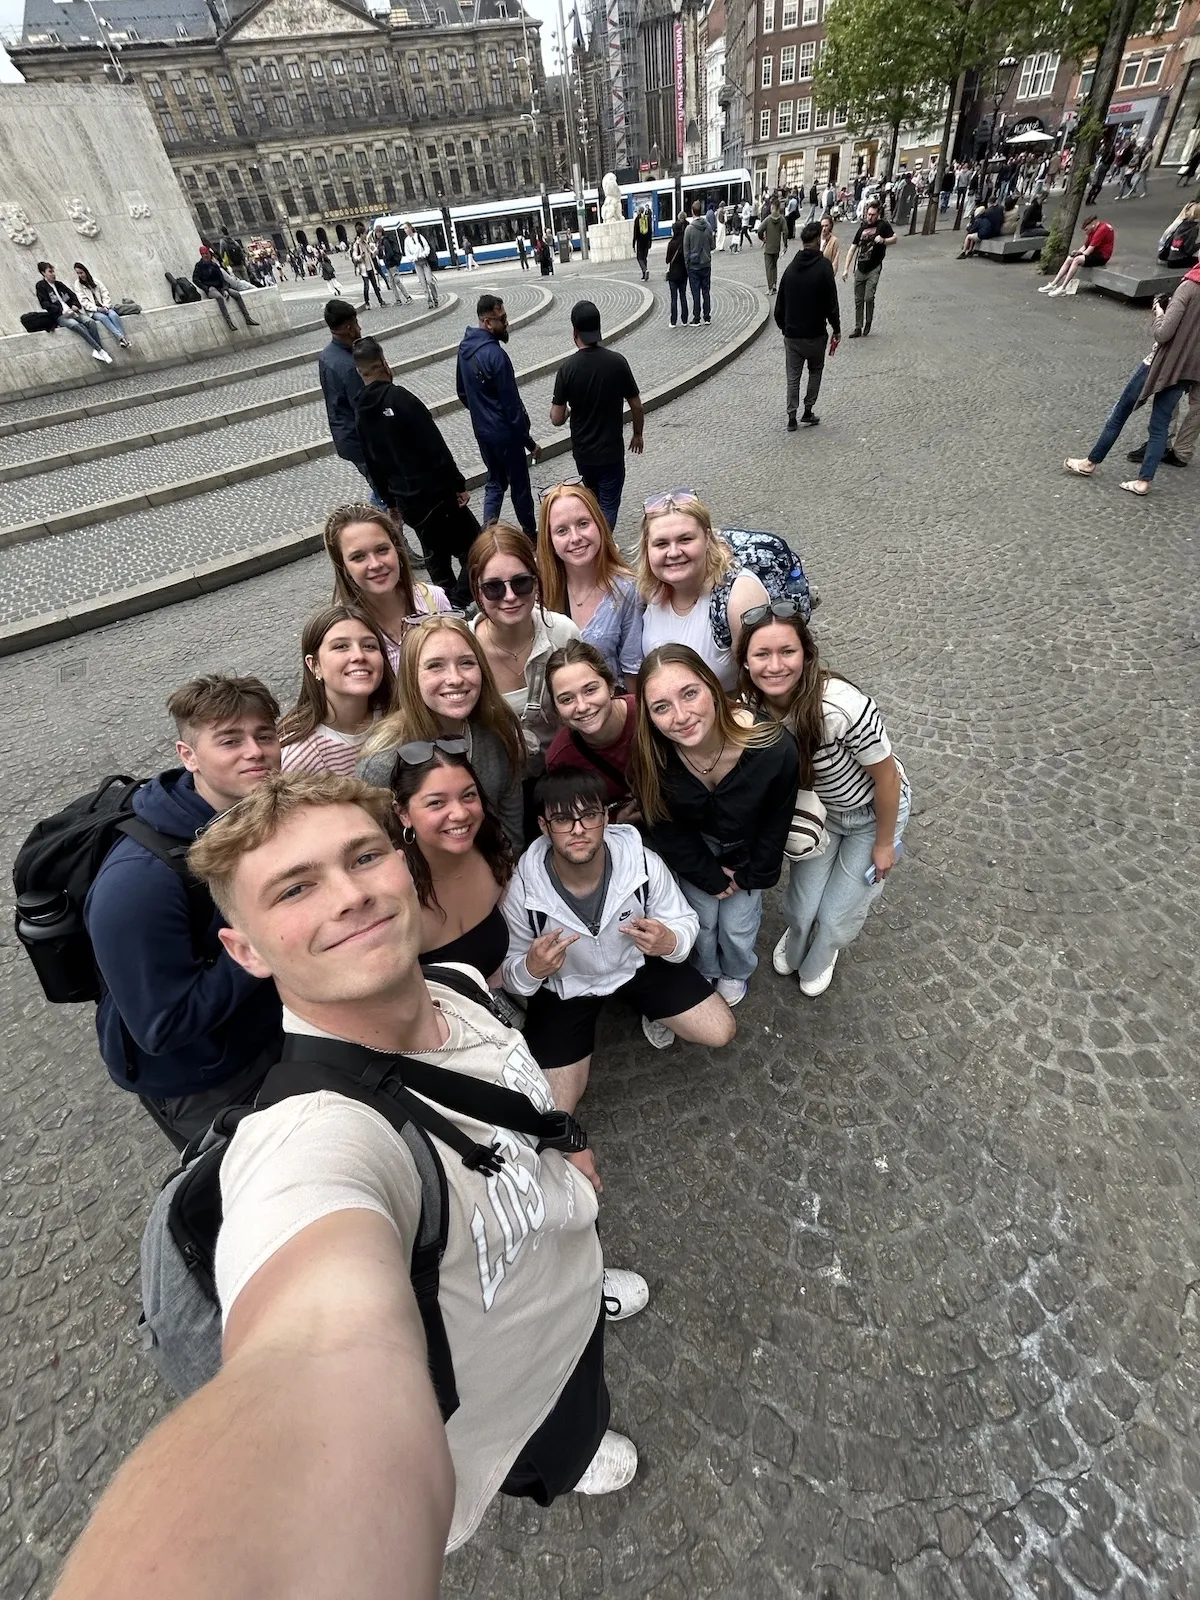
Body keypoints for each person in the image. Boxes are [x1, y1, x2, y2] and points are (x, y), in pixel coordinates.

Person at [183, 773, 648, 1545]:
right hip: (513, 1397)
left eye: (363, 858)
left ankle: (585, 1290)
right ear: (244, 949)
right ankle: (569, 1459)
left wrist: (568, 1148)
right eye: (295, 889)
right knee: (560, 1446)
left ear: (404, 863)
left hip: (558, 1274)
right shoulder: (314, 1142)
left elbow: (517, 1097)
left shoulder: (459, 987)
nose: (348, 896)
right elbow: (300, 1335)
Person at [82, 675, 284, 1147]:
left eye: (265, 736)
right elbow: (161, 1026)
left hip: (267, 1033)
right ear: (188, 755)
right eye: (230, 741)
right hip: (205, 1083)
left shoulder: (253, 812)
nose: (254, 752)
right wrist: (269, 940)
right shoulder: (138, 882)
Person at [502, 769, 733, 1108]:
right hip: (566, 989)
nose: (578, 829)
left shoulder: (641, 862)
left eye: (589, 816)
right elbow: (511, 976)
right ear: (543, 825)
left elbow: (684, 921)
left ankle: (649, 1007)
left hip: (637, 965)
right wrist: (532, 969)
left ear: (606, 818)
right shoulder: (522, 888)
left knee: (720, 1030)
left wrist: (669, 942)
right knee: (555, 1107)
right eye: (563, 819)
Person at [737, 603, 909, 998]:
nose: (775, 665)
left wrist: (884, 843)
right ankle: (797, 940)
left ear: (807, 654)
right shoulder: (750, 711)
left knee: (834, 917)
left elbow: (887, 779)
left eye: (787, 652)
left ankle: (824, 952)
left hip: (872, 813)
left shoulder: (841, 706)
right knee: (800, 907)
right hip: (823, 814)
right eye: (762, 654)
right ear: (745, 663)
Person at [632, 645, 798, 1007]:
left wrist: (749, 876)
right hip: (695, 847)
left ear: (711, 687)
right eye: (661, 707)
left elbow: (776, 823)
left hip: (749, 848)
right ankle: (704, 966)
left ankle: (737, 970)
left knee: (739, 926)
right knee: (702, 920)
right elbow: (665, 827)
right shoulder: (654, 757)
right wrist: (709, 875)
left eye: (689, 693)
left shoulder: (773, 749)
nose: (681, 716)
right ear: (649, 716)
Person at [360, 614, 525, 850]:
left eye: (467, 663)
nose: (455, 679)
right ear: (411, 677)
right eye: (435, 666)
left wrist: (511, 871)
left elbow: (510, 813)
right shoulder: (381, 762)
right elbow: (383, 845)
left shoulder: (495, 728)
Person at [353, 336, 478, 607]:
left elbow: (372, 463)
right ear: (385, 364)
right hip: (436, 495)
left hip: (407, 503)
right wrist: (457, 484)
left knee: (435, 556)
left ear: (358, 372)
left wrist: (389, 501)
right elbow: (435, 447)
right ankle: (456, 602)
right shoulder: (402, 400)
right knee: (477, 549)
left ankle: (446, 604)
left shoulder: (360, 413)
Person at [1064, 265, 1200, 494]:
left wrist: (1158, 312)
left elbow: (1163, 333)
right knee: (1159, 426)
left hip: (1159, 364)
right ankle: (1144, 481)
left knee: (1120, 413)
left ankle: (1090, 462)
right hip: (1186, 370)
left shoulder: (1189, 287)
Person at [391, 743, 514, 986]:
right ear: (403, 813)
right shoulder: (392, 890)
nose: (459, 814)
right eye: (436, 802)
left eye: (468, 795)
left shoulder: (493, 852)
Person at [470, 526, 580, 792]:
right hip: (496, 789)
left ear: (536, 581)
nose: (509, 596)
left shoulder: (563, 632)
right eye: (494, 587)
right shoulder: (464, 648)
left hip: (563, 778)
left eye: (521, 582)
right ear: (478, 589)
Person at [638, 490, 769, 693]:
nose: (673, 553)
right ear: (647, 548)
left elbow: (764, 686)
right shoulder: (650, 591)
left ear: (707, 538)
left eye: (685, 539)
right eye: (661, 543)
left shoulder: (738, 596)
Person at [549, 301, 645, 532]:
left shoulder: (567, 369)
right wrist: (637, 434)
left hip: (584, 453)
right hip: (611, 451)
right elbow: (637, 405)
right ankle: (603, 543)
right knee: (609, 505)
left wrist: (569, 411)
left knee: (592, 502)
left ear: (574, 331)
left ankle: (599, 544)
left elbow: (556, 417)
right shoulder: (617, 362)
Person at [322, 503, 451, 674]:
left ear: (397, 549)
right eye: (358, 557)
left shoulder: (434, 600)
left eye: (382, 550)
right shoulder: (339, 630)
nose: (375, 564)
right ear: (343, 566)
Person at [537, 483, 643, 684]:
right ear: (549, 540)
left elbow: (633, 675)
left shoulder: (626, 590)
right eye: (562, 531)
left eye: (583, 523)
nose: (575, 538)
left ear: (599, 524)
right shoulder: (538, 592)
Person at [456, 293, 541, 537]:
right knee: (519, 486)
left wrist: (482, 412)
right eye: (501, 318)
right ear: (487, 322)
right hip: (506, 435)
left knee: (495, 482)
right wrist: (529, 442)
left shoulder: (464, 350)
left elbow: (462, 391)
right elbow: (511, 406)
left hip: (483, 432)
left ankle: (487, 533)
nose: (506, 322)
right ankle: (531, 534)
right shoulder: (497, 356)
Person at [280, 606, 396, 776]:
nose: (359, 655)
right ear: (315, 665)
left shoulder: (398, 716)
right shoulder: (301, 757)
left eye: (369, 646)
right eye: (341, 646)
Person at [546, 640, 639, 816]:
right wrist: (614, 826)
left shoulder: (647, 715)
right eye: (567, 699)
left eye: (590, 690)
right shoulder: (561, 759)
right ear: (556, 709)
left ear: (610, 686)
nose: (582, 706)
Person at [775, 219, 841, 432]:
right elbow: (832, 302)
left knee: (792, 376)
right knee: (815, 371)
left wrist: (785, 328)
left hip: (793, 335)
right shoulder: (824, 268)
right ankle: (808, 410)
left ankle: (791, 417)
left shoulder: (791, 269)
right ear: (817, 240)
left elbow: (779, 307)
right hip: (815, 334)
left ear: (804, 242)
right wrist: (836, 328)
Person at [317, 299, 384, 501]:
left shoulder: (326, 356)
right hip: (361, 440)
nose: (359, 327)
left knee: (379, 486)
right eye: (356, 322)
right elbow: (365, 406)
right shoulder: (349, 365)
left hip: (346, 435)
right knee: (383, 492)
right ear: (349, 327)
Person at [33, 261, 111, 362]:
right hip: (60, 316)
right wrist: (61, 311)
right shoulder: (41, 286)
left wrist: (75, 306)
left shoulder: (59, 284)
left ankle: (97, 351)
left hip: (73, 312)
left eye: (53, 271)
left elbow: (73, 296)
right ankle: (100, 350)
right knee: (75, 325)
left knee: (90, 322)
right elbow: (44, 303)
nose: (53, 274)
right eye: (50, 272)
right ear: (43, 273)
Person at [843, 200, 896, 337]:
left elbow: (895, 238)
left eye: (873, 214)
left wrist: (884, 240)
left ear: (878, 214)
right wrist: (846, 268)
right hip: (860, 267)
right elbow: (852, 249)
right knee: (858, 299)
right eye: (868, 214)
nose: (870, 217)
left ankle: (868, 321)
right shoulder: (862, 228)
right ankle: (858, 327)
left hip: (874, 267)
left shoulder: (883, 225)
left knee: (868, 297)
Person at [1038, 214, 1113, 297]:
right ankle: (1053, 284)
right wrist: (1077, 252)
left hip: (1102, 256)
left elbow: (1088, 251)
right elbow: (1085, 246)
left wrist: (1078, 255)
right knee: (1070, 258)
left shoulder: (1101, 230)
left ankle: (1063, 287)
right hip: (1094, 253)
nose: (1085, 232)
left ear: (1092, 225)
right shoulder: (1093, 230)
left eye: (1086, 229)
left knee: (1077, 260)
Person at [192, 244, 260, 330]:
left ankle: (248, 318)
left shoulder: (214, 265)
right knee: (219, 297)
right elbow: (195, 279)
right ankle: (229, 322)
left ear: (209, 253)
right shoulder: (199, 266)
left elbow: (222, 278)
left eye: (206, 253)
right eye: (203, 254)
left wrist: (225, 289)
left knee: (236, 294)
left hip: (221, 287)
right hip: (211, 288)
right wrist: (206, 288)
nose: (205, 256)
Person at [72, 262, 130, 349]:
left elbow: (105, 293)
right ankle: (122, 338)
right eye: (78, 273)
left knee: (113, 315)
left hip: (104, 307)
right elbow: (83, 301)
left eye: (81, 272)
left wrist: (106, 305)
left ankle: (123, 340)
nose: (80, 275)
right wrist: (97, 308)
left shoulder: (95, 281)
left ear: (85, 271)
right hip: (93, 311)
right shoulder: (78, 285)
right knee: (103, 318)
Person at [683, 200, 714, 325]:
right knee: (706, 291)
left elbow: (686, 250)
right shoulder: (708, 226)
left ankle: (697, 318)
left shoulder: (689, 229)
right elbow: (712, 245)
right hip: (706, 264)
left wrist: (687, 264)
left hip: (694, 266)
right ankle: (707, 316)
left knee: (695, 292)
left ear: (692, 211)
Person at [402, 221, 439, 306]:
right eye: (404, 229)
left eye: (406, 228)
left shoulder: (419, 236)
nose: (405, 230)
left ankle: (435, 297)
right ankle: (429, 301)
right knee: (423, 283)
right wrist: (414, 258)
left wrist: (423, 254)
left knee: (429, 281)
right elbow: (407, 253)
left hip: (424, 261)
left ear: (410, 227)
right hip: (417, 263)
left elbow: (427, 247)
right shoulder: (406, 241)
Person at [375, 226, 412, 305]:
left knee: (397, 281)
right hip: (389, 265)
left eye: (377, 232)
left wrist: (386, 258)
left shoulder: (385, 241)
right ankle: (398, 300)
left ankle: (407, 297)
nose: (376, 234)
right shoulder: (381, 242)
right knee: (392, 283)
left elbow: (390, 253)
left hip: (391, 264)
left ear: (380, 232)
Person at [1157, 202, 1200, 269]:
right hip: (1179, 260)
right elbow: (1188, 250)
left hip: (1171, 259)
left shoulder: (1181, 224)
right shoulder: (1193, 228)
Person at [352, 224, 386, 309]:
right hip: (364, 269)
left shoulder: (365, 243)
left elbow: (370, 252)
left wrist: (374, 252)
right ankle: (367, 303)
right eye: (364, 234)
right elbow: (354, 257)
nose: (366, 235)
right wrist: (360, 257)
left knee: (375, 285)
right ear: (360, 234)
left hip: (370, 267)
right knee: (366, 286)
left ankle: (381, 301)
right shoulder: (356, 245)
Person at [665, 215, 689, 327]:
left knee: (673, 298)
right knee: (683, 296)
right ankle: (685, 319)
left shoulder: (671, 243)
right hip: (683, 273)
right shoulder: (684, 242)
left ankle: (673, 321)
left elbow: (667, 260)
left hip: (673, 274)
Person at [759, 200, 787, 293]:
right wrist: (785, 244)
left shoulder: (768, 219)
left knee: (768, 268)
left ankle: (770, 287)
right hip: (776, 247)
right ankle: (774, 284)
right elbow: (785, 232)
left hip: (768, 248)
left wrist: (762, 238)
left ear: (772, 208)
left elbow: (759, 230)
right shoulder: (782, 219)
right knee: (774, 266)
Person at [632, 204, 653, 281]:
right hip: (646, 241)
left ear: (638, 212)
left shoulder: (637, 220)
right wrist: (650, 242)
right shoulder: (647, 218)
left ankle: (645, 270)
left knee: (639, 258)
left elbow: (635, 233)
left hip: (640, 242)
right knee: (644, 257)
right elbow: (650, 231)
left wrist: (633, 244)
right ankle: (644, 275)